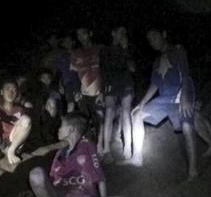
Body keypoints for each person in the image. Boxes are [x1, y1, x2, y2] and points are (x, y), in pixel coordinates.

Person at [29, 112, 127, 197]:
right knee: (36, 173)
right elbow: (49, 179)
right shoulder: (59, 152)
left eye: (61, 126)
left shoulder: (86, 145)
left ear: (71, 130)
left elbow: (99, 175)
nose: (58, 129)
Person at [120, 28, 198, 180]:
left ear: (164, 34)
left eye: (155, 36)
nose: (152, 41)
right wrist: (141, 103)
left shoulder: (177, 50)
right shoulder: (156, 61)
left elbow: (186, 74)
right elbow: (154, 84)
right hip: (164, 99)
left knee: (188, 126)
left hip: (181, 94)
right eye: (149, 39)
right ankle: (137, 158)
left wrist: (185, 98)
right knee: (137, 114)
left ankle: (193, 170)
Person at [100, 26, 135, 161]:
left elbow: (132, 68)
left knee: (126, 112)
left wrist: (125, 49)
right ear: (113, 33)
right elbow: (103, 71)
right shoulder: (105, 50)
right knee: (109, 111)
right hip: (111, 84)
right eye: (120, 32)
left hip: (126, 82)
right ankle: (106, 149)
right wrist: (101, 91)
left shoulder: (127, 48)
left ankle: (127, 147)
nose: (123, 34)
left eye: (124, 32)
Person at [70, 27, 104, 151]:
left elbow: (106, 70)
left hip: (99, 91)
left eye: (83, 33)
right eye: (78, 35)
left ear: (90, 33)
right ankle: (90, 147)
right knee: (84, 121)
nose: (81, 37)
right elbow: (73, 74)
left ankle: (101, 147)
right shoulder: (75, 53)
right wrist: (75, 91)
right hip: (83, 92)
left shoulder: (99, 49)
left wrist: (104, 91)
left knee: (99, 119)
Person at [0, 79, 32, 165]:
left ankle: (11, 151)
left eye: (14, 90)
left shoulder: (21, 109)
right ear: (1, 92)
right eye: (8, 89)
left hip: (13, 142)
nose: (11, 93)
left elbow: (25, 125)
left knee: (26, 119)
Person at [55, 35, 80, 113]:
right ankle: (69, 122)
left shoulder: (79, 53)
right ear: (63, 44)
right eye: (65, 42)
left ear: (73, 42)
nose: (67, 43)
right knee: (70, 103)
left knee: (81, 103)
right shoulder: (61, 57)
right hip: (67, 83)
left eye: (69, 41)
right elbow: (60, 72)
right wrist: (60, 84)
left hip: (80, 81)